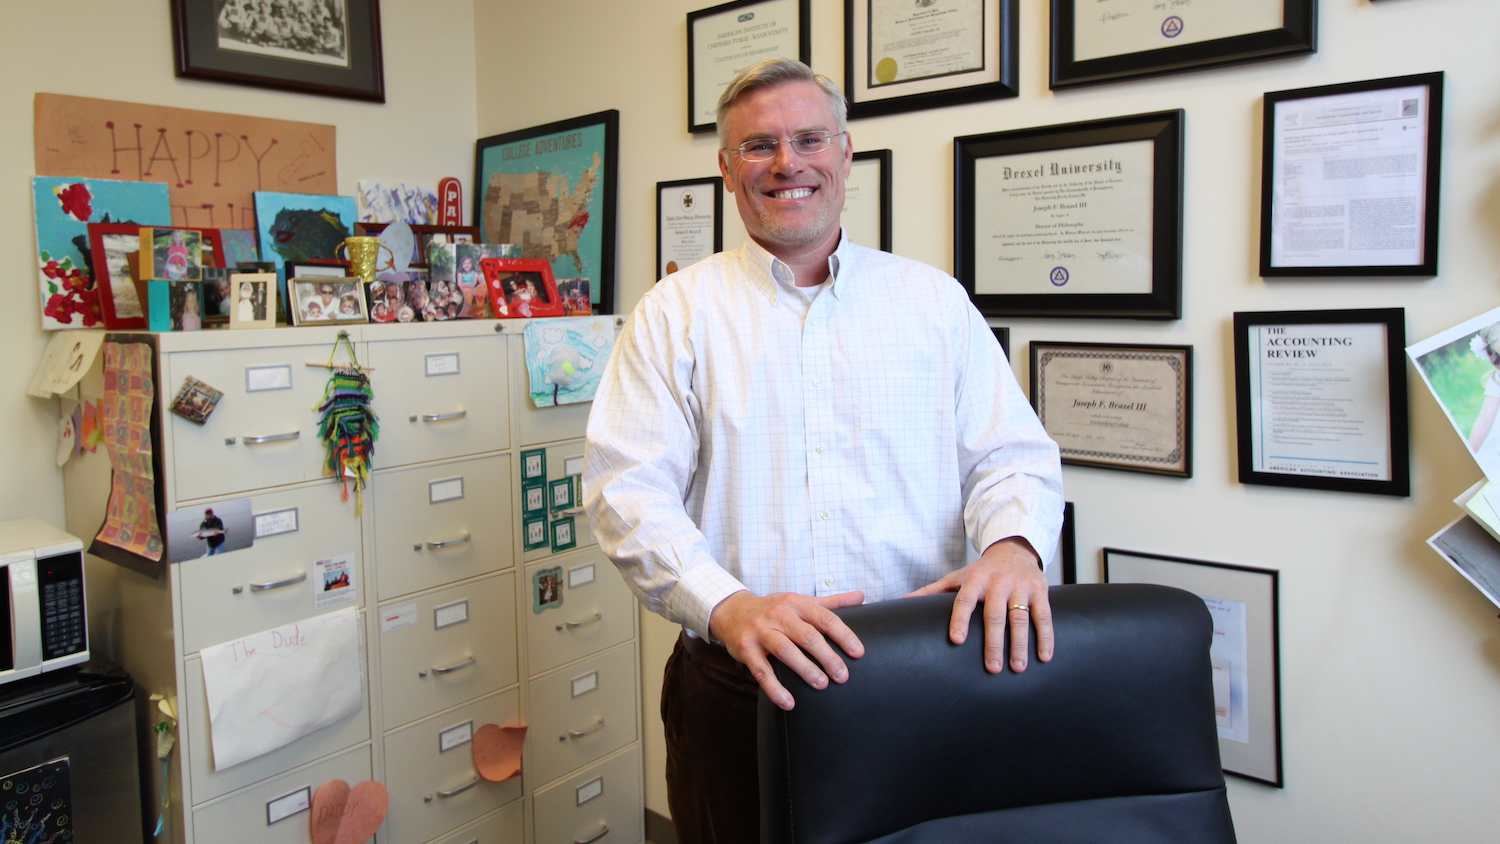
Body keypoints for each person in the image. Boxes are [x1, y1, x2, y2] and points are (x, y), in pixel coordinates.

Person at [581, 59, 1064, 844]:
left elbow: (1011, 454)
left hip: (923, 671)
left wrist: (1014, 547)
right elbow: (625, 492)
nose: (786, 163)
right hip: (738, 686)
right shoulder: (674, 313)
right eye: (758, 145)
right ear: (728, 169)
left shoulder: (931, 301)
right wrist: (728, 605)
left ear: (844, 154)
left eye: (809, 139)